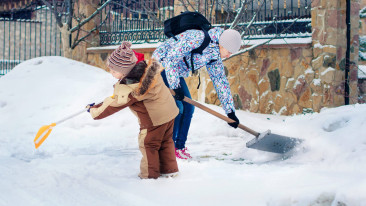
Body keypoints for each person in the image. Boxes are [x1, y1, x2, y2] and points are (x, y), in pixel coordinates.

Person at [87, 41, 179, 179]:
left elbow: (115, 104)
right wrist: (98, 105)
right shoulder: (147, 70)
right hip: (169, 113)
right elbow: (116, 98)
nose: (111, 73)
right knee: (166, 142)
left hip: (154, 120)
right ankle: (170, 171)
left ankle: (149, 176)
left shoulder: (133, 86)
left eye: (114, 71)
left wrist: (94, 111)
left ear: (125, 71)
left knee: (149, 145)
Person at [152, 28, 242, 159]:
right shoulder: (198, 38)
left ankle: (179, 147)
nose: (229, 55)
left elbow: (220, 81)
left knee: (189, 108)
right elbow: (171, 57)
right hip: (161, 64)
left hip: (174, 71)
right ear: (222, 44)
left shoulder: (215, 56)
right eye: (229, 52)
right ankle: (168, 148)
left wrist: (230, 112)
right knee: (178, 108)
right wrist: (175, 86)